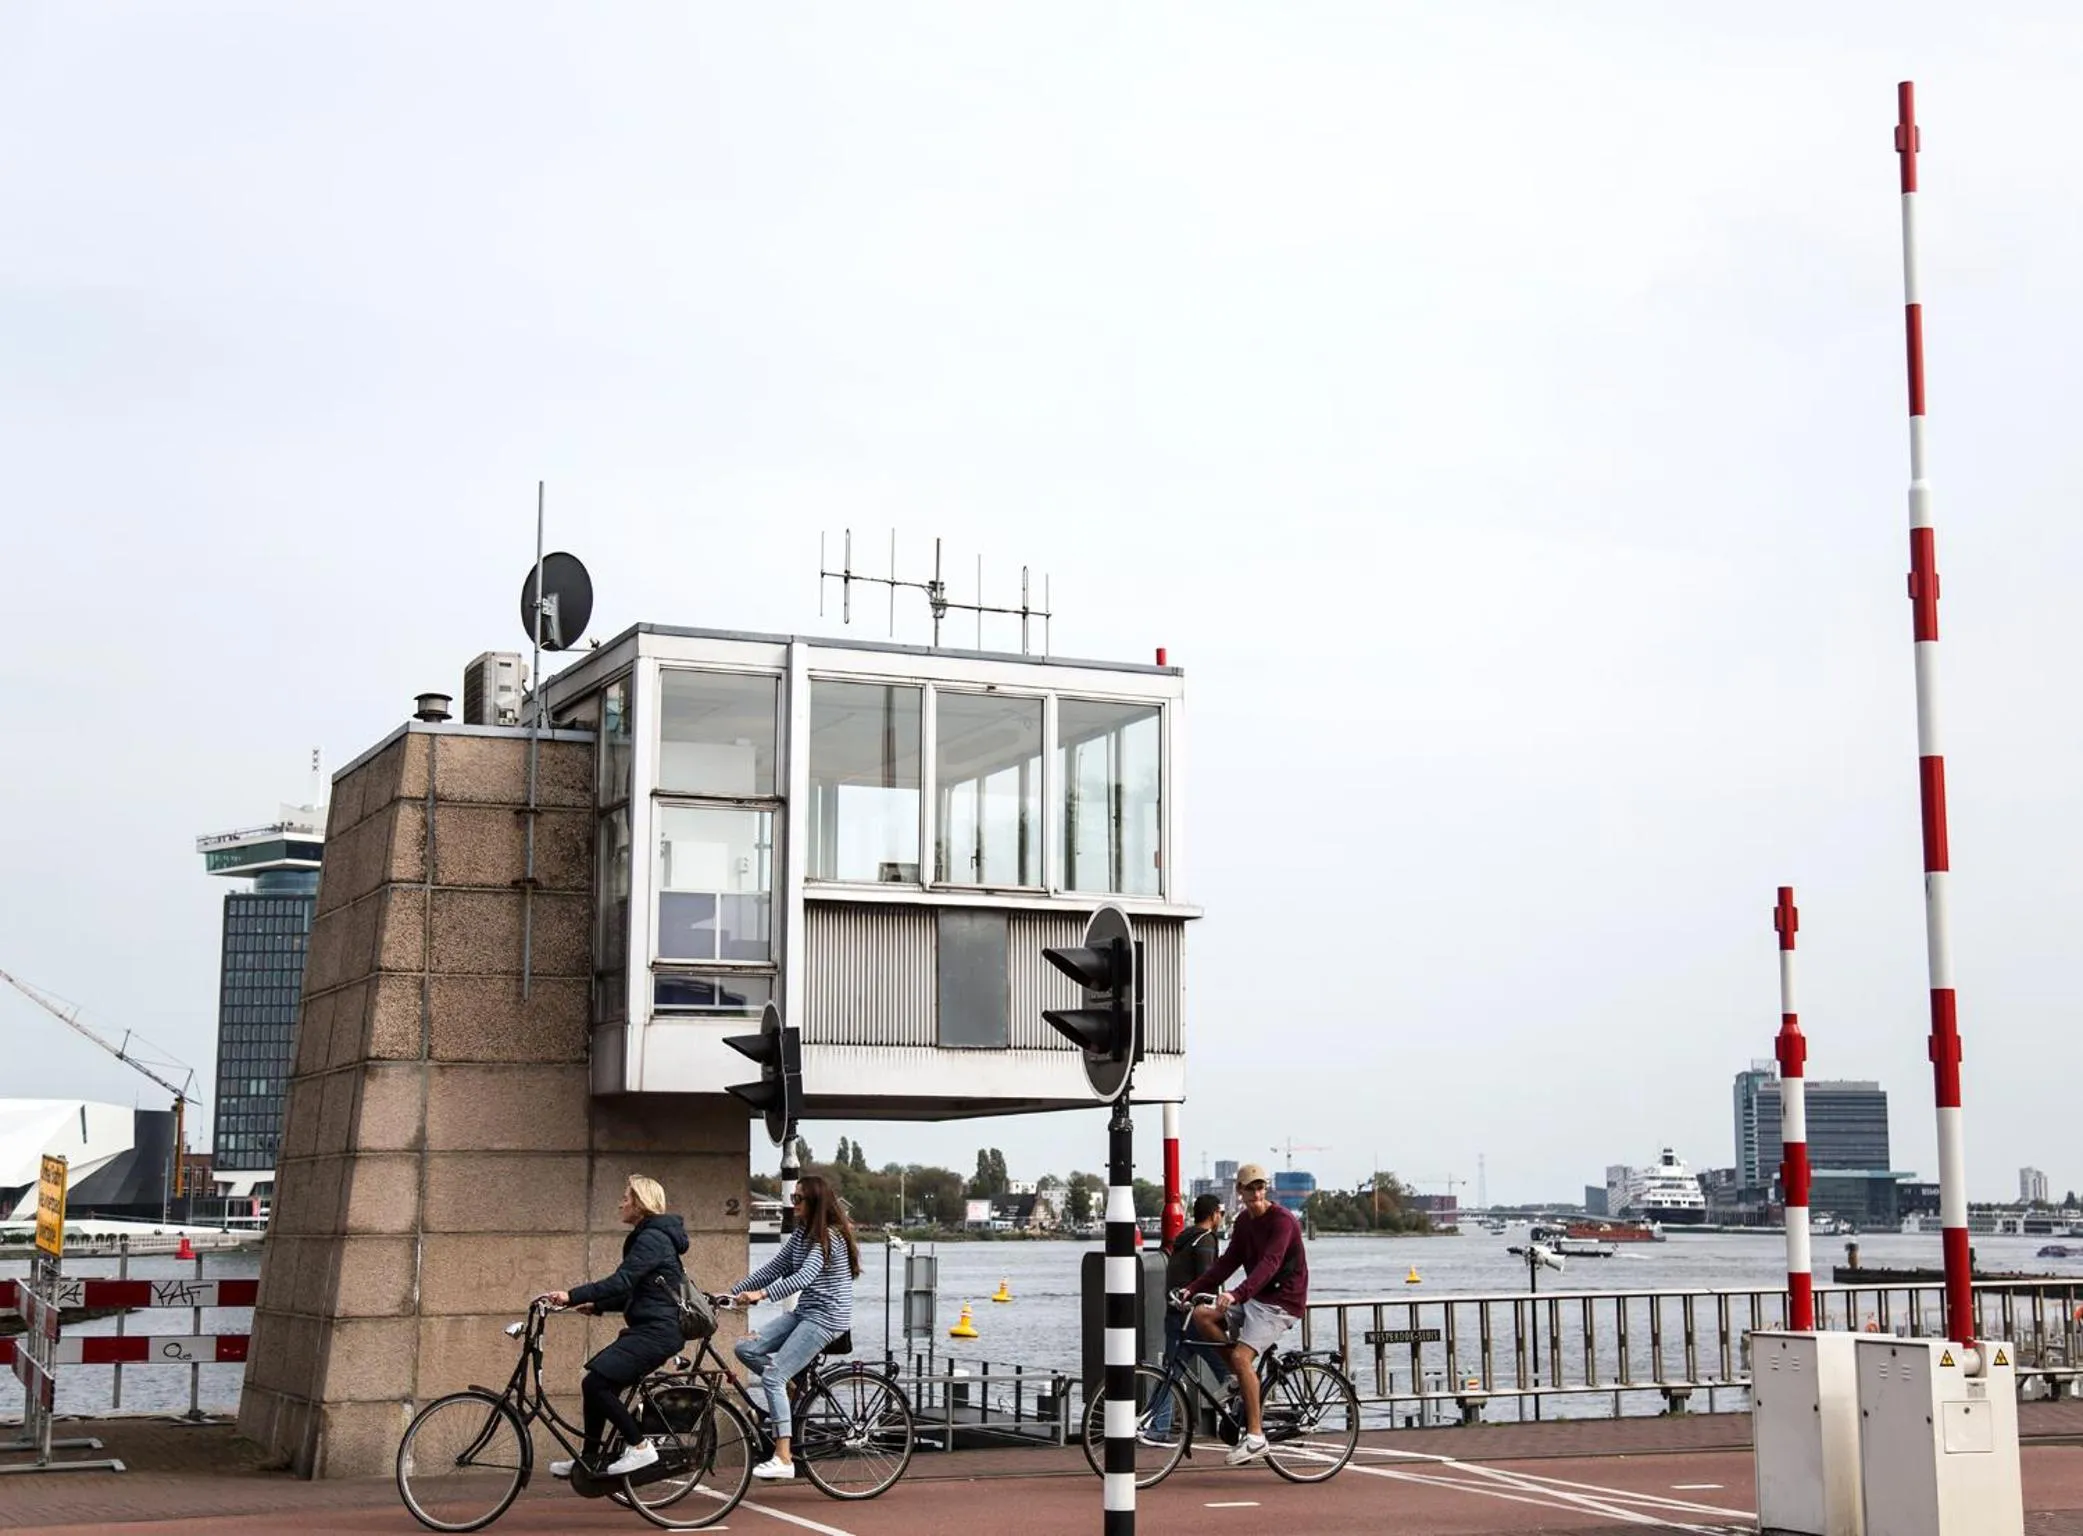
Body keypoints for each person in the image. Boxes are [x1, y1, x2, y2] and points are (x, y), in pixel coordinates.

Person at [538, 1174, 691, 1480]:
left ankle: (639, 1447)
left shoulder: (653, 1238)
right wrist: (598, 1305)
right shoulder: (650, 1236)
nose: (621, 1204)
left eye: (626, 1198)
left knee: (596, 1385)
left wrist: (571, 1295)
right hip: (651, 1328)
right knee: (597, 1385)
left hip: (658, 1331)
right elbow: (639, 1292)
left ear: (640, 1203)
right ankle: (590, 1459)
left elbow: (622, 1281)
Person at [725, 1175, 861, 1481]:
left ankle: (784, 1457)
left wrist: (761, 1295)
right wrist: (732, 1293)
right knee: (745, 1348)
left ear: (815, 1202)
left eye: (798, 1198)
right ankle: (787, 1386)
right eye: (793, 1197)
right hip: (805, 1312)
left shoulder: (830, 1237)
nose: (792, 1203)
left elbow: (804, 1277)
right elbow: (775, 1268)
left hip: (826, 1318)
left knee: (772, 1376)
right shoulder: (802, 1234)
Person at [1185, 1162, 1308, 1465]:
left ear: (1266, 1189)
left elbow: (1269, 1264)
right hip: (1256, 1297)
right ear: (1239, 1191)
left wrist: (1235, 1294)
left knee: (1242, 1357)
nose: (1256, 1193)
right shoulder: (1243, 1221)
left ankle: (1255, 1437)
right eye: (1250, 1188)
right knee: (1202, 1315)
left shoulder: (1283, 1221)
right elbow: (1228, 1262)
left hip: (1281, 1302)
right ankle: (1236, 1378)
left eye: (1260, 1187)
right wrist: (1192, 1288)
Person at [1145, 1193, 1224, 1442]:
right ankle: (1247, 1420)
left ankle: (1158, 1428)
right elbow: (1207, 1280)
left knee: (1171, 1373)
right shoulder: (1205, 1239)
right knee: (1229, 1368)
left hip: (1175, 1315)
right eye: (1220, 1213)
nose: (1221, 1218)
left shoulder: (1183, 1239)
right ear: (1213, 1214)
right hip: (1195, 1318)